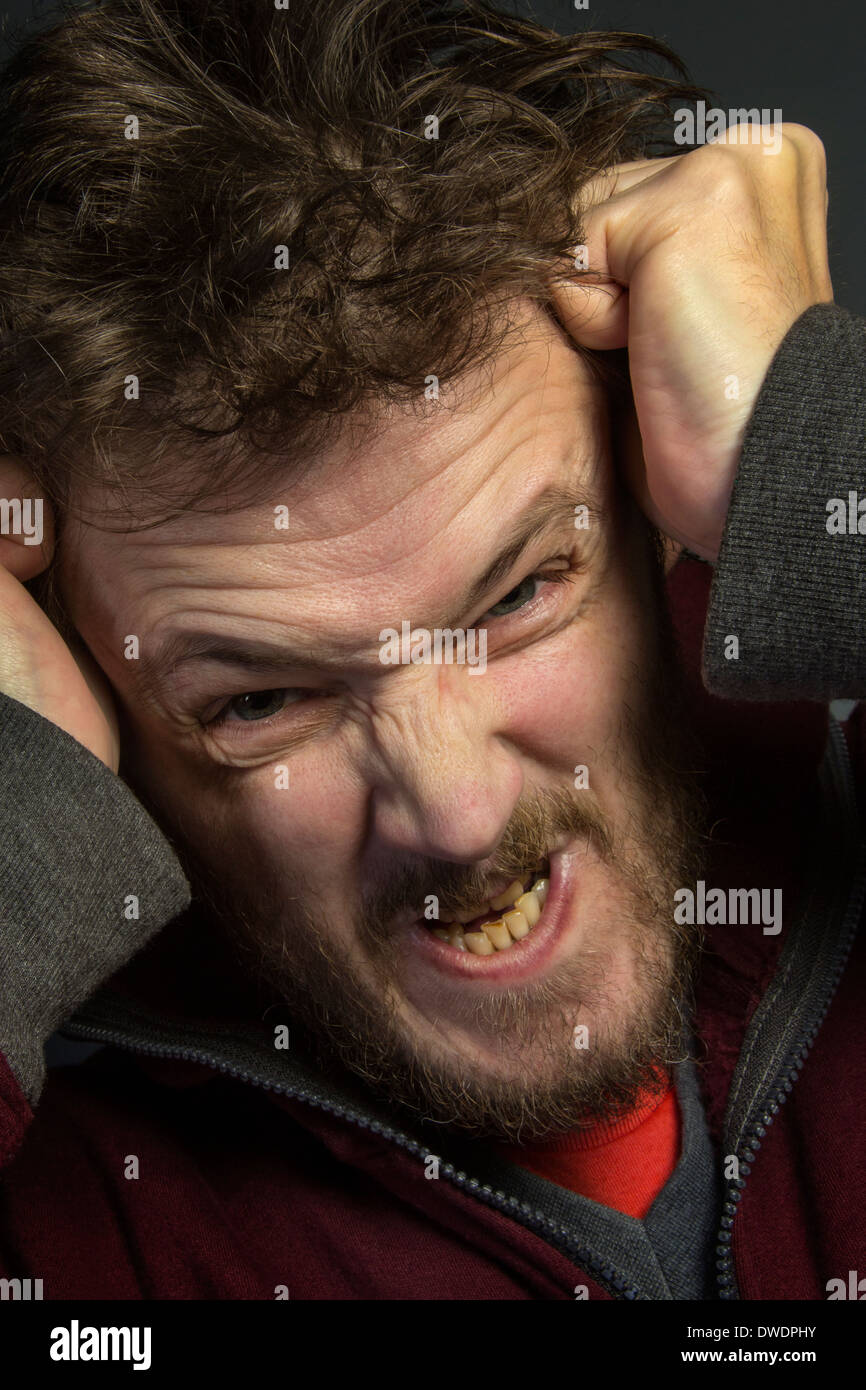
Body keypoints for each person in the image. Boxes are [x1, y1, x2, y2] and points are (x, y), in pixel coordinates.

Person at [0, 0, 862, 1301]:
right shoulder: (81, 1235)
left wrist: (813, 453)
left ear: (652, 491)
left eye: (518, 592)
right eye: (262, 697)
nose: (456, 814)